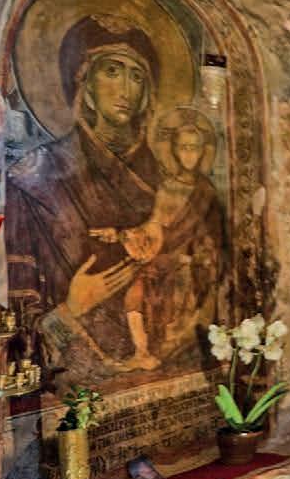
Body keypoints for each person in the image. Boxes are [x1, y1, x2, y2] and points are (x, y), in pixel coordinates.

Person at [6, 14, 161, 382]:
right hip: (71, 388)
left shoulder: (162, 180)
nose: (125, 89)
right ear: (85, 84)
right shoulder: (34, 177)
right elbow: (17, 339)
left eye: (136, 76)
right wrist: (72, 308)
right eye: (111, 71)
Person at [89, 115, 224, 371]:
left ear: (202, 151)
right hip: (163, 258)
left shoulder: (207, 192)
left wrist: (194, 257)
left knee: (178, 295)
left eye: (194, 147)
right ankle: (141, 353)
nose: (189, 154)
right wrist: (120, 234)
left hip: (191, 264)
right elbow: (153, 225)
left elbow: (214, 238)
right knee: (136, 291)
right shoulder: (167, 187)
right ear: (174, 150)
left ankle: (171, 350)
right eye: (183, 147)